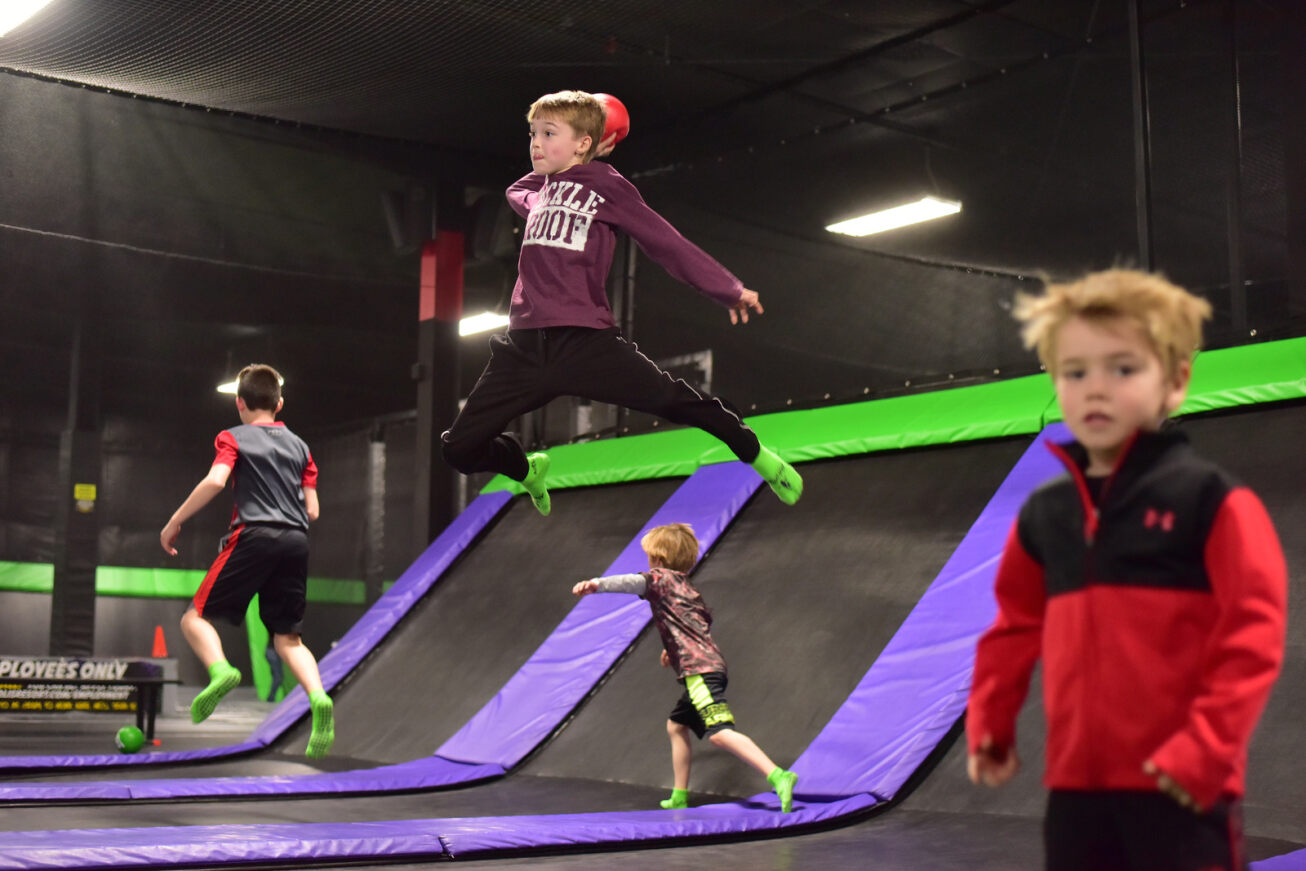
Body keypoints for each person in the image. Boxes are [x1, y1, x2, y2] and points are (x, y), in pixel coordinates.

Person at [966, 269, 1287, 870]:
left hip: (1181, 790)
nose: (1095, 389)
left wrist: (1203, 752)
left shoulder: (1211, 503)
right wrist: (991, 720)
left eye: (1123, 368)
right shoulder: (1046, 516)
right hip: (1076, 794)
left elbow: (1253, 637)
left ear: (1176, 381)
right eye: (1075, 372)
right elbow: (1012, 628)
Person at [441, 90, 802, 516]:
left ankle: (755, 452)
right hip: (522, 351)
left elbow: (664, 241)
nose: (535, 144)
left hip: (585, 344)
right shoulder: (538, 189)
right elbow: (517, 190)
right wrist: (558, 168)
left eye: (549, 134)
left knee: (671, 399)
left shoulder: (607, 186)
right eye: (533, 134)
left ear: (585, 144)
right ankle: (524, 469)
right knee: (458, 449)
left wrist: (726, 288)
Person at [160, 364, 335, 758]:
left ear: (239, 403)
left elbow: (216, 481)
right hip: (296, 540)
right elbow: (313, 511)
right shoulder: (301, 447)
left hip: (253, 534)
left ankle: (220, 670)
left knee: (194, 618)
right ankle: (319, 697)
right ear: (280, 403)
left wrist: (175, 521)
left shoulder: (232, 437)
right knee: (289, 638)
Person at [572, 522, 799, 812]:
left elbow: (633, 582)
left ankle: (778, 776)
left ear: (658, 559)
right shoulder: (688, 589)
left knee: (718, 732)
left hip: (699, 672)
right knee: (677, 726)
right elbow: (696, 624)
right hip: (707, 664)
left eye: (650, 557)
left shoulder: (660, 579)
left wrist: (597, 585)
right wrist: (673, 651)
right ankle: (680, 795)